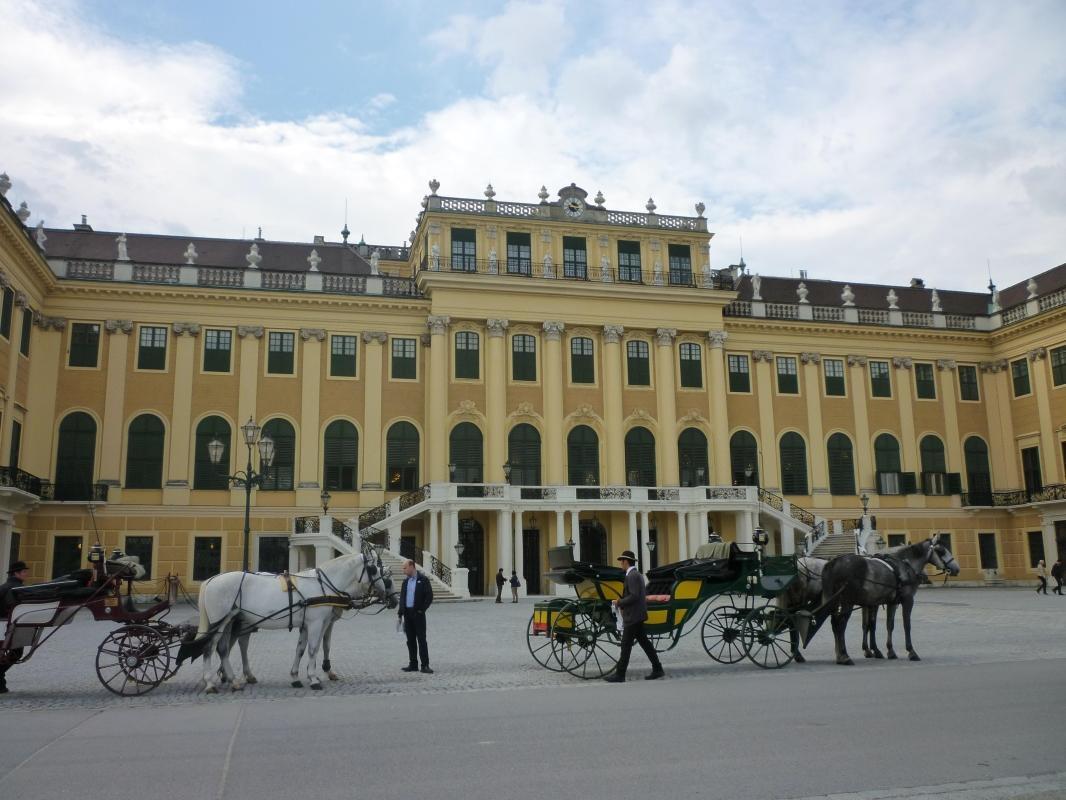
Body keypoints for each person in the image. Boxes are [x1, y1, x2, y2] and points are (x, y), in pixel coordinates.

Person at [604, 550, 664, 683]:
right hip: (637, 614)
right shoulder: (635, 575)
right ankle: (658, 668)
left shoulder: (632, 576)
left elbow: (634, 595)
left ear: (626, 561)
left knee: (626, 645)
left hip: (634, 615)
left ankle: (620, 674)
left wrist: (619, 602)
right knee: (644, 643)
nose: (621, 564)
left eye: (621, 561)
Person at [397, 559, 434, 674]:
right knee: (410, 640)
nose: (403, 570)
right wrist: (400, 613)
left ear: (412, 567)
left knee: (421, 640)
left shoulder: (423, 580)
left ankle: (425, 665)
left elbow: (429, 596)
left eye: (405, 568)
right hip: (407, 614)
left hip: (418, 614)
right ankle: (413, 664)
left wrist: (421, 610)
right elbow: (402, 598)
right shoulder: (405, 582)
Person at [0, 560, 30, 693]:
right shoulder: (15, 589)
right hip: (7, 626)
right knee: (16, 652)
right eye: (24, 572)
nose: (26, 574)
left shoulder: (8, 586)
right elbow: (11, 607)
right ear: (16, 573)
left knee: (14, 652)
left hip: (6, 625)